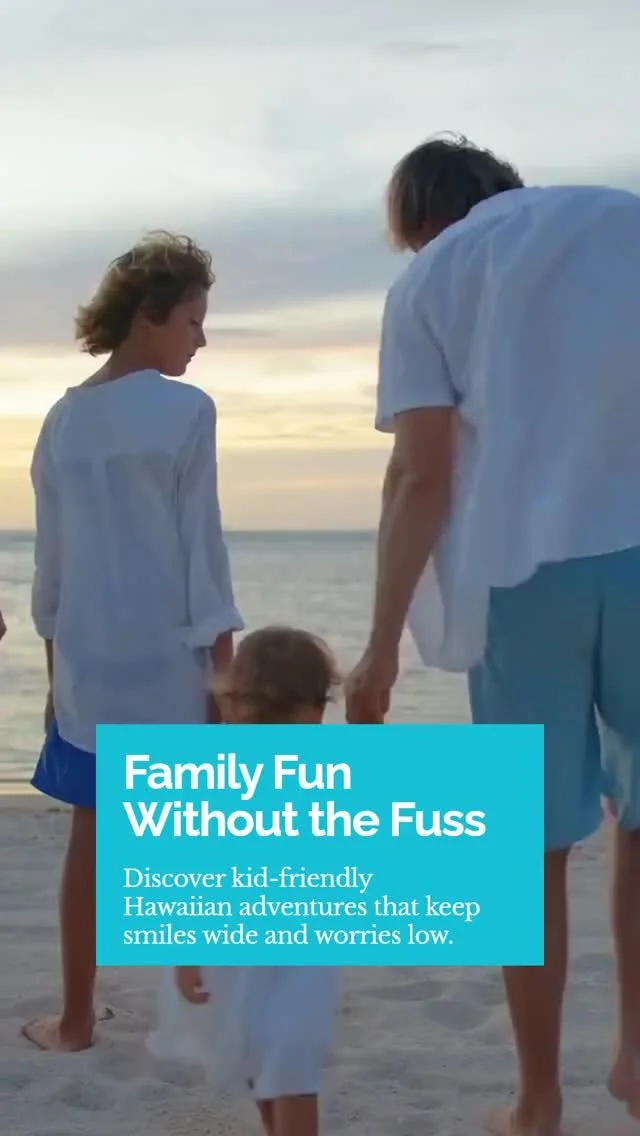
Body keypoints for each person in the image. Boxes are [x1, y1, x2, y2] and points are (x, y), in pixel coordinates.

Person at [345, 135, 640, 1135]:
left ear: (418, 220)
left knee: (529, 848)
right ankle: (637, 1053)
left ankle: (538, 1099)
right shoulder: (620, 217)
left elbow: (422, 475)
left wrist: (381, 645)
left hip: (521, 575)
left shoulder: (432, 278)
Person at [24, 231, 244, 1053]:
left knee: (91, 836)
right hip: (167, 663)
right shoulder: (187, 410)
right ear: (151, 314)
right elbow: (201, 552)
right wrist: (224, 672)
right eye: (193, 319)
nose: (201, 338)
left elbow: (51, 572)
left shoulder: (61, 421)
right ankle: (201, 1006)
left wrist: (55, 678)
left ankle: (77, 1021)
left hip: (89, 667)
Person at [147, 625, 341, 1136]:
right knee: (270, 1068)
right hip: (265, 959)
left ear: (233, 704)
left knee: (286, 1070)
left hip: (287, 961)